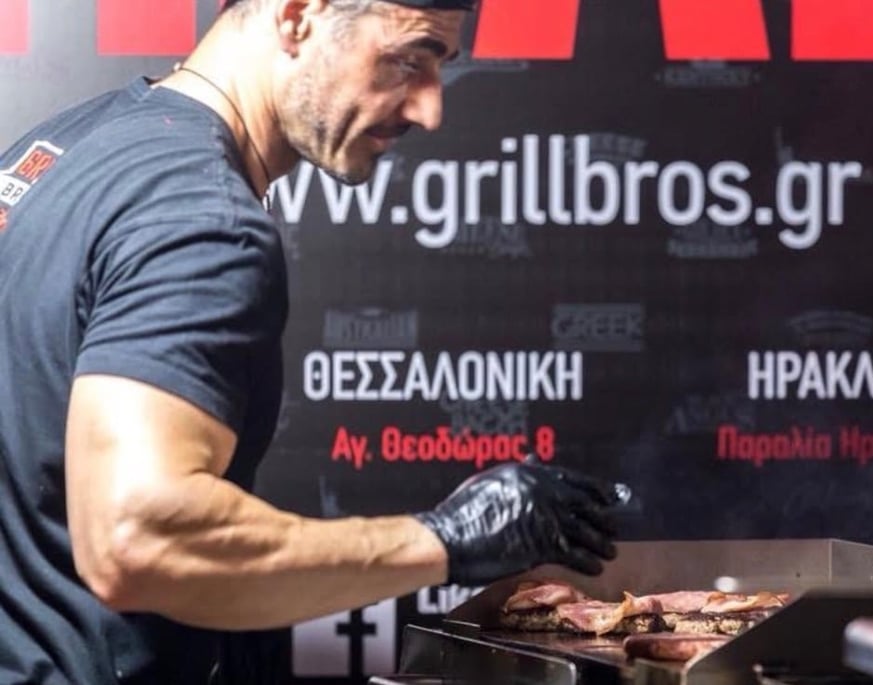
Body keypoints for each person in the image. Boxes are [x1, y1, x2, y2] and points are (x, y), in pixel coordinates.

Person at [0, 0, 621, 683]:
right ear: (297, 16)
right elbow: (138, 538)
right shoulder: (201, 218)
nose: (429, 110)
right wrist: (448, 538)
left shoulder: (60, 147)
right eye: (407, 59)